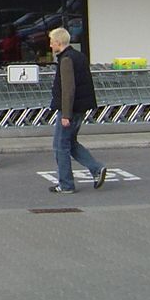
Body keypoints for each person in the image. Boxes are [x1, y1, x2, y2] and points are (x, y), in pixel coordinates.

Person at [47, 26, 107, 194]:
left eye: (51, 42)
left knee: (60, 145)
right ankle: (96, 169)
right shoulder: (79, 56)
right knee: (71, 142)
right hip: (80, 107)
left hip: (70, 109)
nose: (50, 45)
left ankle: (66, 184)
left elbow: (68, 89)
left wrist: (66, 114)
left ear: (58, 42)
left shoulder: (66, 59)